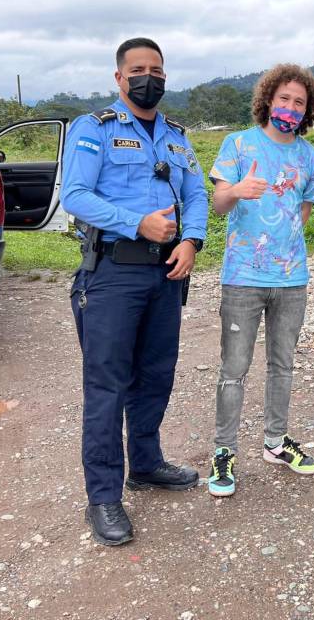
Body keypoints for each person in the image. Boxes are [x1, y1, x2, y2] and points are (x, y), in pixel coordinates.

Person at [61, 37, 207, 546]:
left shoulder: (176, 135)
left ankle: (145, 463)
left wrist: (192, 241)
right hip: (113, 273)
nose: (150, 77)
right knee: (107, 386)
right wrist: (134, 223)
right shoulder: (94, 129)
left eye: (158, 69)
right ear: (120, 78)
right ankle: (103, 496)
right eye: (139, 69)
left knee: (155, 376)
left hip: (167, 273)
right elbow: (75, 195)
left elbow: (196, 192)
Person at [206, 64, 314, 497]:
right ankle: (224, 452)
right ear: (268, 100)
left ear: (307, 109)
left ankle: (275, 443)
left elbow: (303, 213)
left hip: (292, 278)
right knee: (233, 368)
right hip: (242, 277)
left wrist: (283, 248)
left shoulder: (309, 157)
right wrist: (237, 191)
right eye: (284, 98)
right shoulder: (238, 143)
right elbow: (218, 204)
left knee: (283, 364)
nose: (290, 107)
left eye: (299, 102)